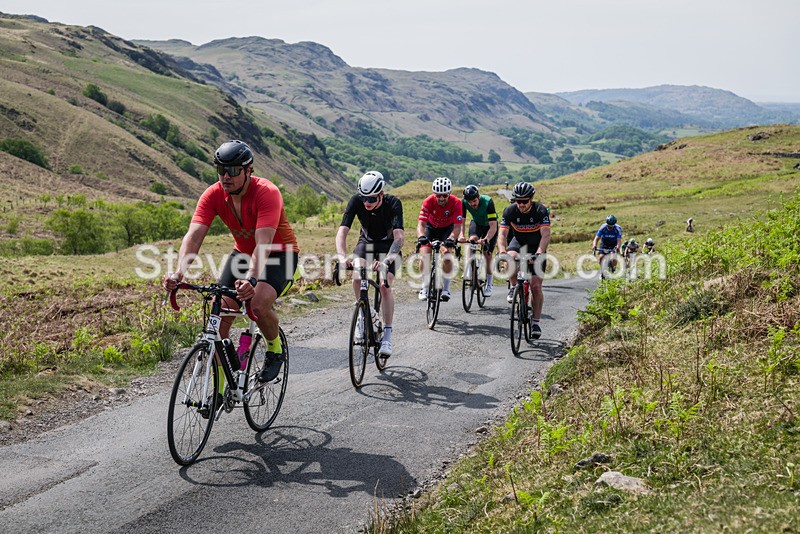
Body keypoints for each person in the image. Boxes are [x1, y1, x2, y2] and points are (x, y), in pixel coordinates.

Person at [163, 140, 299, 388]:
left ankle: (275, 349)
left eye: (234, 170)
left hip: (280, 255)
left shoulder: (267, 193)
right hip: (243, 254)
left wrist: (251, 279)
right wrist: (179, 271)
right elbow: (194, 235)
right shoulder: (213, 194)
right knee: (217, 320)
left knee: (256, 303)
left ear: (249, 170)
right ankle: (222, 387)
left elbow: (264, 243)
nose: (226, 176)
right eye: (221, 169)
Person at [335, 171, 404, 357]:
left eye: (372, 198)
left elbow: (399, 239)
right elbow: (342, 232)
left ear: (381, 194)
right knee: (357, 277)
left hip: (389, 246)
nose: (367, 202)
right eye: (364, 197)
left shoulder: (393, 203)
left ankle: (387, 336)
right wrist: (342, 258)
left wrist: (387, 261)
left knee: (384, 285)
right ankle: (363, 314)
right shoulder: (356, 201)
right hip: (366, 243)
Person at [497, 181, 550, 339]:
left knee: (535, 286)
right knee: (510, 258)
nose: (521, 204)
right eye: (518, 200)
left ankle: (535, 322)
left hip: (536, 246)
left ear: (531, 199)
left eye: (524, 201)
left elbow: (546, 235)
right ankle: (514, 286)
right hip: (518, 243)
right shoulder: (510, 211)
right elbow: (502, 235)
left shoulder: (540, 210)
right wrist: (501, 251)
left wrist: (540, 252)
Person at [417, 177, 463, 302]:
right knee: (424, 255)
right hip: (431, 228)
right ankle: (424, 287)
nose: (441, 198)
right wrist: (421, 236)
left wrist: (452, 238)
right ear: (434, 194)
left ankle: (446, 289)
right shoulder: (428, 201)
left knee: (447, 255)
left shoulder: (456, 202)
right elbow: (421, 224)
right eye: (438, 195)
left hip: (447, 229)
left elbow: (458, 227)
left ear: (449, 193)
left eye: (444, 195)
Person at [458, 184, 498, 297]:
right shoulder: (464, 202)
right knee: (472, 240)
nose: (472, 204)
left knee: (487, 253)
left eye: (474, 201)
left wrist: (486, 239)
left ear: (478, 197)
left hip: (489, 226)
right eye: (469, 202)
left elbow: (493, 226)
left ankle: (489, 283)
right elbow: (462, 221)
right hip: (476, 223)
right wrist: (461, 235)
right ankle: (470, 268)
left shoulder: (488, 202)